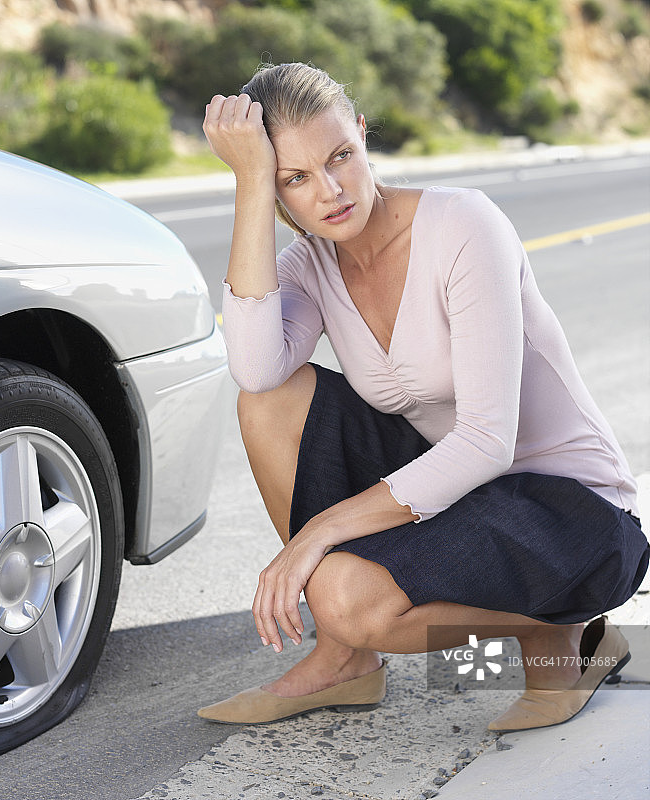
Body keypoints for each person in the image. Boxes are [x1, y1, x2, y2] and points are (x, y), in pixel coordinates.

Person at [197, 62, 649, 731]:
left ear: (363, 132)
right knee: (269, 403)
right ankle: (345, 661)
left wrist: (319, 534)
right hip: (462, 497)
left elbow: (488, 442)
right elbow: (257, 370)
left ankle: (564, 641)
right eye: (294, 177)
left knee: (347, 597)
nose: (330, 190)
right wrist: (249, 186)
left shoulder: (463, 224)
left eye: (341, 156)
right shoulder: (310, 264)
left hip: (571, 514)